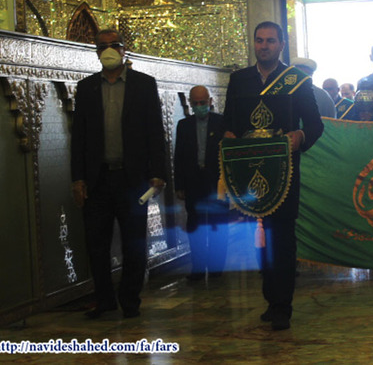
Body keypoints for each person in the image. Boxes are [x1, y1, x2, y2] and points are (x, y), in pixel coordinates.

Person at [223, 21, 323, 331]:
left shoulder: (296, 80)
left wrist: (299, 136)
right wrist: (228, 137)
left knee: (282, 238)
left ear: (281, 45)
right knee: (259, 239)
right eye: (259, 40)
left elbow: (315, 125)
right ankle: (271, 298)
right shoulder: (239, 80)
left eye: (270, 41)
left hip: (283, 172)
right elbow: (228, 123)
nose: (264, 45)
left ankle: (282, 306)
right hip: (248, 172)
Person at [71, 28, 167, 319]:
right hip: (97, 179)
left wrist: (158, 172)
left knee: (134, 243)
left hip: (132, 178)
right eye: (103, 46)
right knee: (96, 244)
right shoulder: (86, 88)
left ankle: (130, 300)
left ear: (125, 50)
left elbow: (155, 131)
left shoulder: (144, 84)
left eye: (114, 45)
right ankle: (105, 301)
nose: (109, 50)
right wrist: (78, 178)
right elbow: (78, 137)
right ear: (96, 52)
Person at [174, 85, 229, 281]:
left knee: (218, 225)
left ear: (210, 101)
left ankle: (216, 269)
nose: (199, 106)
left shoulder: (222, 123)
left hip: (217, 183)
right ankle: (197, 269)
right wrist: (179, 185)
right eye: (195, 103)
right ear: (190, 103)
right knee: (195, 227)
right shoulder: (184, 125)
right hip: (193, 182)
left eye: (202, 102)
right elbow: (178, 157)